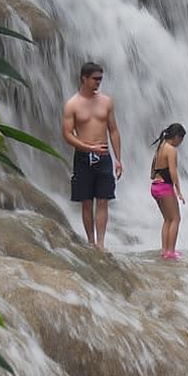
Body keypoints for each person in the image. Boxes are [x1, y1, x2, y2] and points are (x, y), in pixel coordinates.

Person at [62, 62, 122, 251]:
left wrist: (118, 159)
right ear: (84, 79)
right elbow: (67, 134)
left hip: (103, 155)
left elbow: (113, 130)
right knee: (86, 202)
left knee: (103, 200)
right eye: (95, 79)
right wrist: (88, 147)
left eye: (100, 79)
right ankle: (90, 241)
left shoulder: (106, 102)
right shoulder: (72, 104)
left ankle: (101, 243)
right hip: (83, 156)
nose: (98, 83)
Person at [149, 123, 186, 260]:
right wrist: (178, 190)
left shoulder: (161, 147)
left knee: (167, 219)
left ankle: (164, 250)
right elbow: (173, 171)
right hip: (164, 187)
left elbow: (153, 169)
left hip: (155, 186)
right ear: (176, 137)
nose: (180, 143)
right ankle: (170, 251)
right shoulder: (171, 149)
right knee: (176, 218)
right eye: (181, 140)